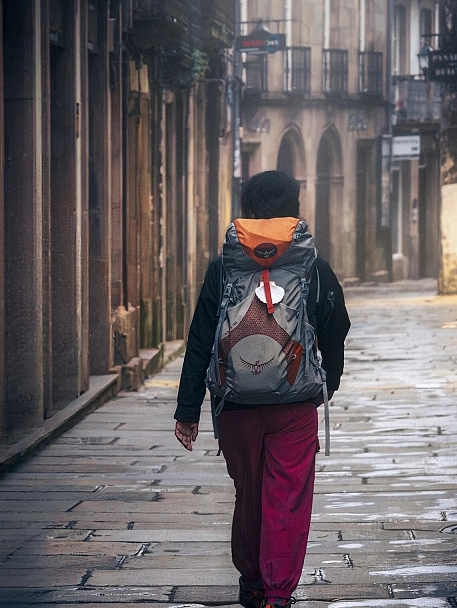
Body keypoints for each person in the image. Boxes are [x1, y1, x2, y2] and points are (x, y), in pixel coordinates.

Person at [173, 170, 350, 608]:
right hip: (295, 404)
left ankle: (252, 581)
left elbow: (200, 338)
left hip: (235, 406)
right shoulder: (313, 266)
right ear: (295, 210)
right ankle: (277, 593)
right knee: (286, 498)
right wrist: (330, 380)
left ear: (248, 212)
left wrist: (188, 409)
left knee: (249, 495)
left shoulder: (223, 269)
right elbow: (336, 324)